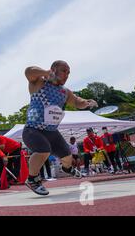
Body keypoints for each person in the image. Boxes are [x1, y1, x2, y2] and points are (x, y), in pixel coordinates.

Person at [22, 61, 98, 195]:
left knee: (68, 157)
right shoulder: (39, 82)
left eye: (68, 73)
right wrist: (46, 73)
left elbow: (76, 101)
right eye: (64, 71)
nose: (67, 75)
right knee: (43, 150)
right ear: (54, 70)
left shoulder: (65, 92)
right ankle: (32, 179)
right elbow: (28, 71)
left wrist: (86, 103)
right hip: (33, 129)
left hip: (52, 131)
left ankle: (67, 169)